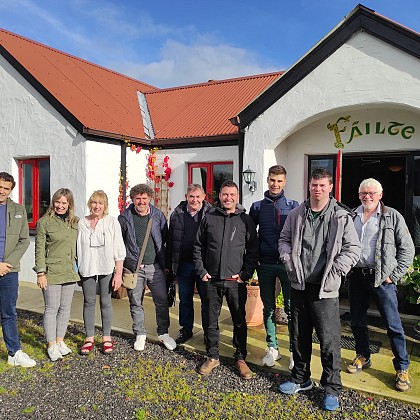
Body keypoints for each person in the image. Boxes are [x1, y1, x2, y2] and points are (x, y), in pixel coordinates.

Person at [278, 168, 361, 412]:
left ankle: (331, 388)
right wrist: (287, 260)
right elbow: (283, 240)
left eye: (322, 185)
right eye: (314, 184)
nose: (317, 189)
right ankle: (300, 379)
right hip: (300, 286)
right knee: (298, 336)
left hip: (325, 290)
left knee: (329, 341)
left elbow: (353, 249)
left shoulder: (340, 216)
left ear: (330, 187)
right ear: (309, 186)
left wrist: (336, 271)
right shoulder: (296, 213)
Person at [346, 178, 415, 392]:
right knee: (357, 320)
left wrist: (392, 275)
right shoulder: (351, 216)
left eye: (371, 193)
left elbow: (408, 249)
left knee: (393, 324)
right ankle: (363, 355)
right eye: (364, 193)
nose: (367, 196)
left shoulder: (392, 216)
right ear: (359, 195)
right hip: (357, 275)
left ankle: (402, 367)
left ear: (380, 195)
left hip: (382, 277)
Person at [194, 180, 259, 380]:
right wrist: (201, 270)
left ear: (237, 197)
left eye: (232, 194)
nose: (228, 198)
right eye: (224, 194)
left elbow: (253, 250)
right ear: (219, 196)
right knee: (210, 320)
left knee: (239, 321)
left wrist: (245, 274)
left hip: (235, 281)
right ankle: (212, 356)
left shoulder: (245, 220)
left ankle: (240, 358)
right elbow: (198, 246)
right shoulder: (209, 217)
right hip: (211, 279)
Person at [249, 165, 298, 370]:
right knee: (268, 307)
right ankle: (273, 348)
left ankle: (295, 351)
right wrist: (254, 260)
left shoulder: (294, 206)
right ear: (267, 180)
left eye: (279, 181)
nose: (275, 184)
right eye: (272, 180)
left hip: (287, 266)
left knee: (291, 308)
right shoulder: (258, 207)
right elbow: (251, 236)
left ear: (284, 182)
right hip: (266, 264)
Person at [118, 183, 176, 351]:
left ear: (150, 198)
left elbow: (164, 239)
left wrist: (166, 264)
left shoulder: (158, 216)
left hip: (155, 267)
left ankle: (163, 333)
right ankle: (140, 333)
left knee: (162, 301)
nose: (141, 202)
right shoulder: (124, 217)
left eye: (144, 198)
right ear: (132, 199)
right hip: (134, 268)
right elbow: (120, 242)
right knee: (136, 302)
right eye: (138, 198)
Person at [77, 190, 126, 355]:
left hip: (106, 267)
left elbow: (119, 249)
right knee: (89, 302)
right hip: (87, 267)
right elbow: (76, 249)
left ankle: (106, 337)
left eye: (100, 203)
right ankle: (89, 338)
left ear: (105, 206)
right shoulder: (82, 223)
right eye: (94, 202)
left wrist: (118, 274)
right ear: (90, 204)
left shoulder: (112, 222)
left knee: (106, 302)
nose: (96, 206)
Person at [35, 188, 79, 362]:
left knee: (65, 307)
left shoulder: (74, 222)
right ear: (53, 202)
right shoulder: (44, 222)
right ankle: (51, 344)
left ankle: (60, 340)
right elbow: (39, 249)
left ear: (69, 205)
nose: (60, 206)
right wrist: (40, 273)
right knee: (51, 308)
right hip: (51, 271)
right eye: (57, 202)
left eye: (64, 203)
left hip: (69, 271)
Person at [167, 184, 212, 344]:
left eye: (198, 197)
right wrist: (169, 265)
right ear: (186, 196)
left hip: (204, 266)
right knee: (185, 299)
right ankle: (186, 329)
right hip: (183, 264)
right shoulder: (177, 214)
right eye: (191, 196)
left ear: (204, 197)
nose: (194, 200)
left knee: (207, 301)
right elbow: (171, 240)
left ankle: (209, 332)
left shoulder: (211, 213)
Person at [0, 172, 36, 368]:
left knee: (9, 312)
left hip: (9, 270)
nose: (2, 191)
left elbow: (23, 241)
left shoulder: (18, 210)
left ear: (11, 190)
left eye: (6, 188)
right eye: (0, 187)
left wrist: (7, 264)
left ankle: (14, 353)